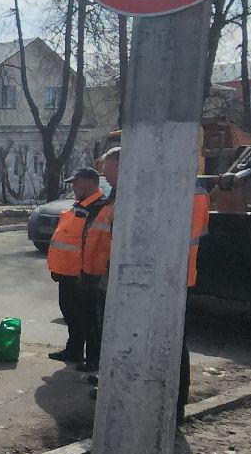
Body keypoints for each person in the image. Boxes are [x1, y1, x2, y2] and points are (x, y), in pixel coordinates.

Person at [80, 146, 210, 419]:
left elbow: (144, 237)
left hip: (161, 279)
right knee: (143, 338)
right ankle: (140, 395)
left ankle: (170, 407)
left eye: (111, 173)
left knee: (169, 342)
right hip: (152, 277)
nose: (109, 179)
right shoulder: (174, 186)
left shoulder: (164, 189)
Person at [47, 166, 106, 365]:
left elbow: (93, 245)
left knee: (88, 319)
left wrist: (87, 273)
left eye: (76, 183)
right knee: (71, 314)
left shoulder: (98, 208)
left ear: (88, 183)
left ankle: (93, 360)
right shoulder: (81, 205)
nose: (73, 187)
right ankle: (73, 350)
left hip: (83, 275)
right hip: (67, 272)